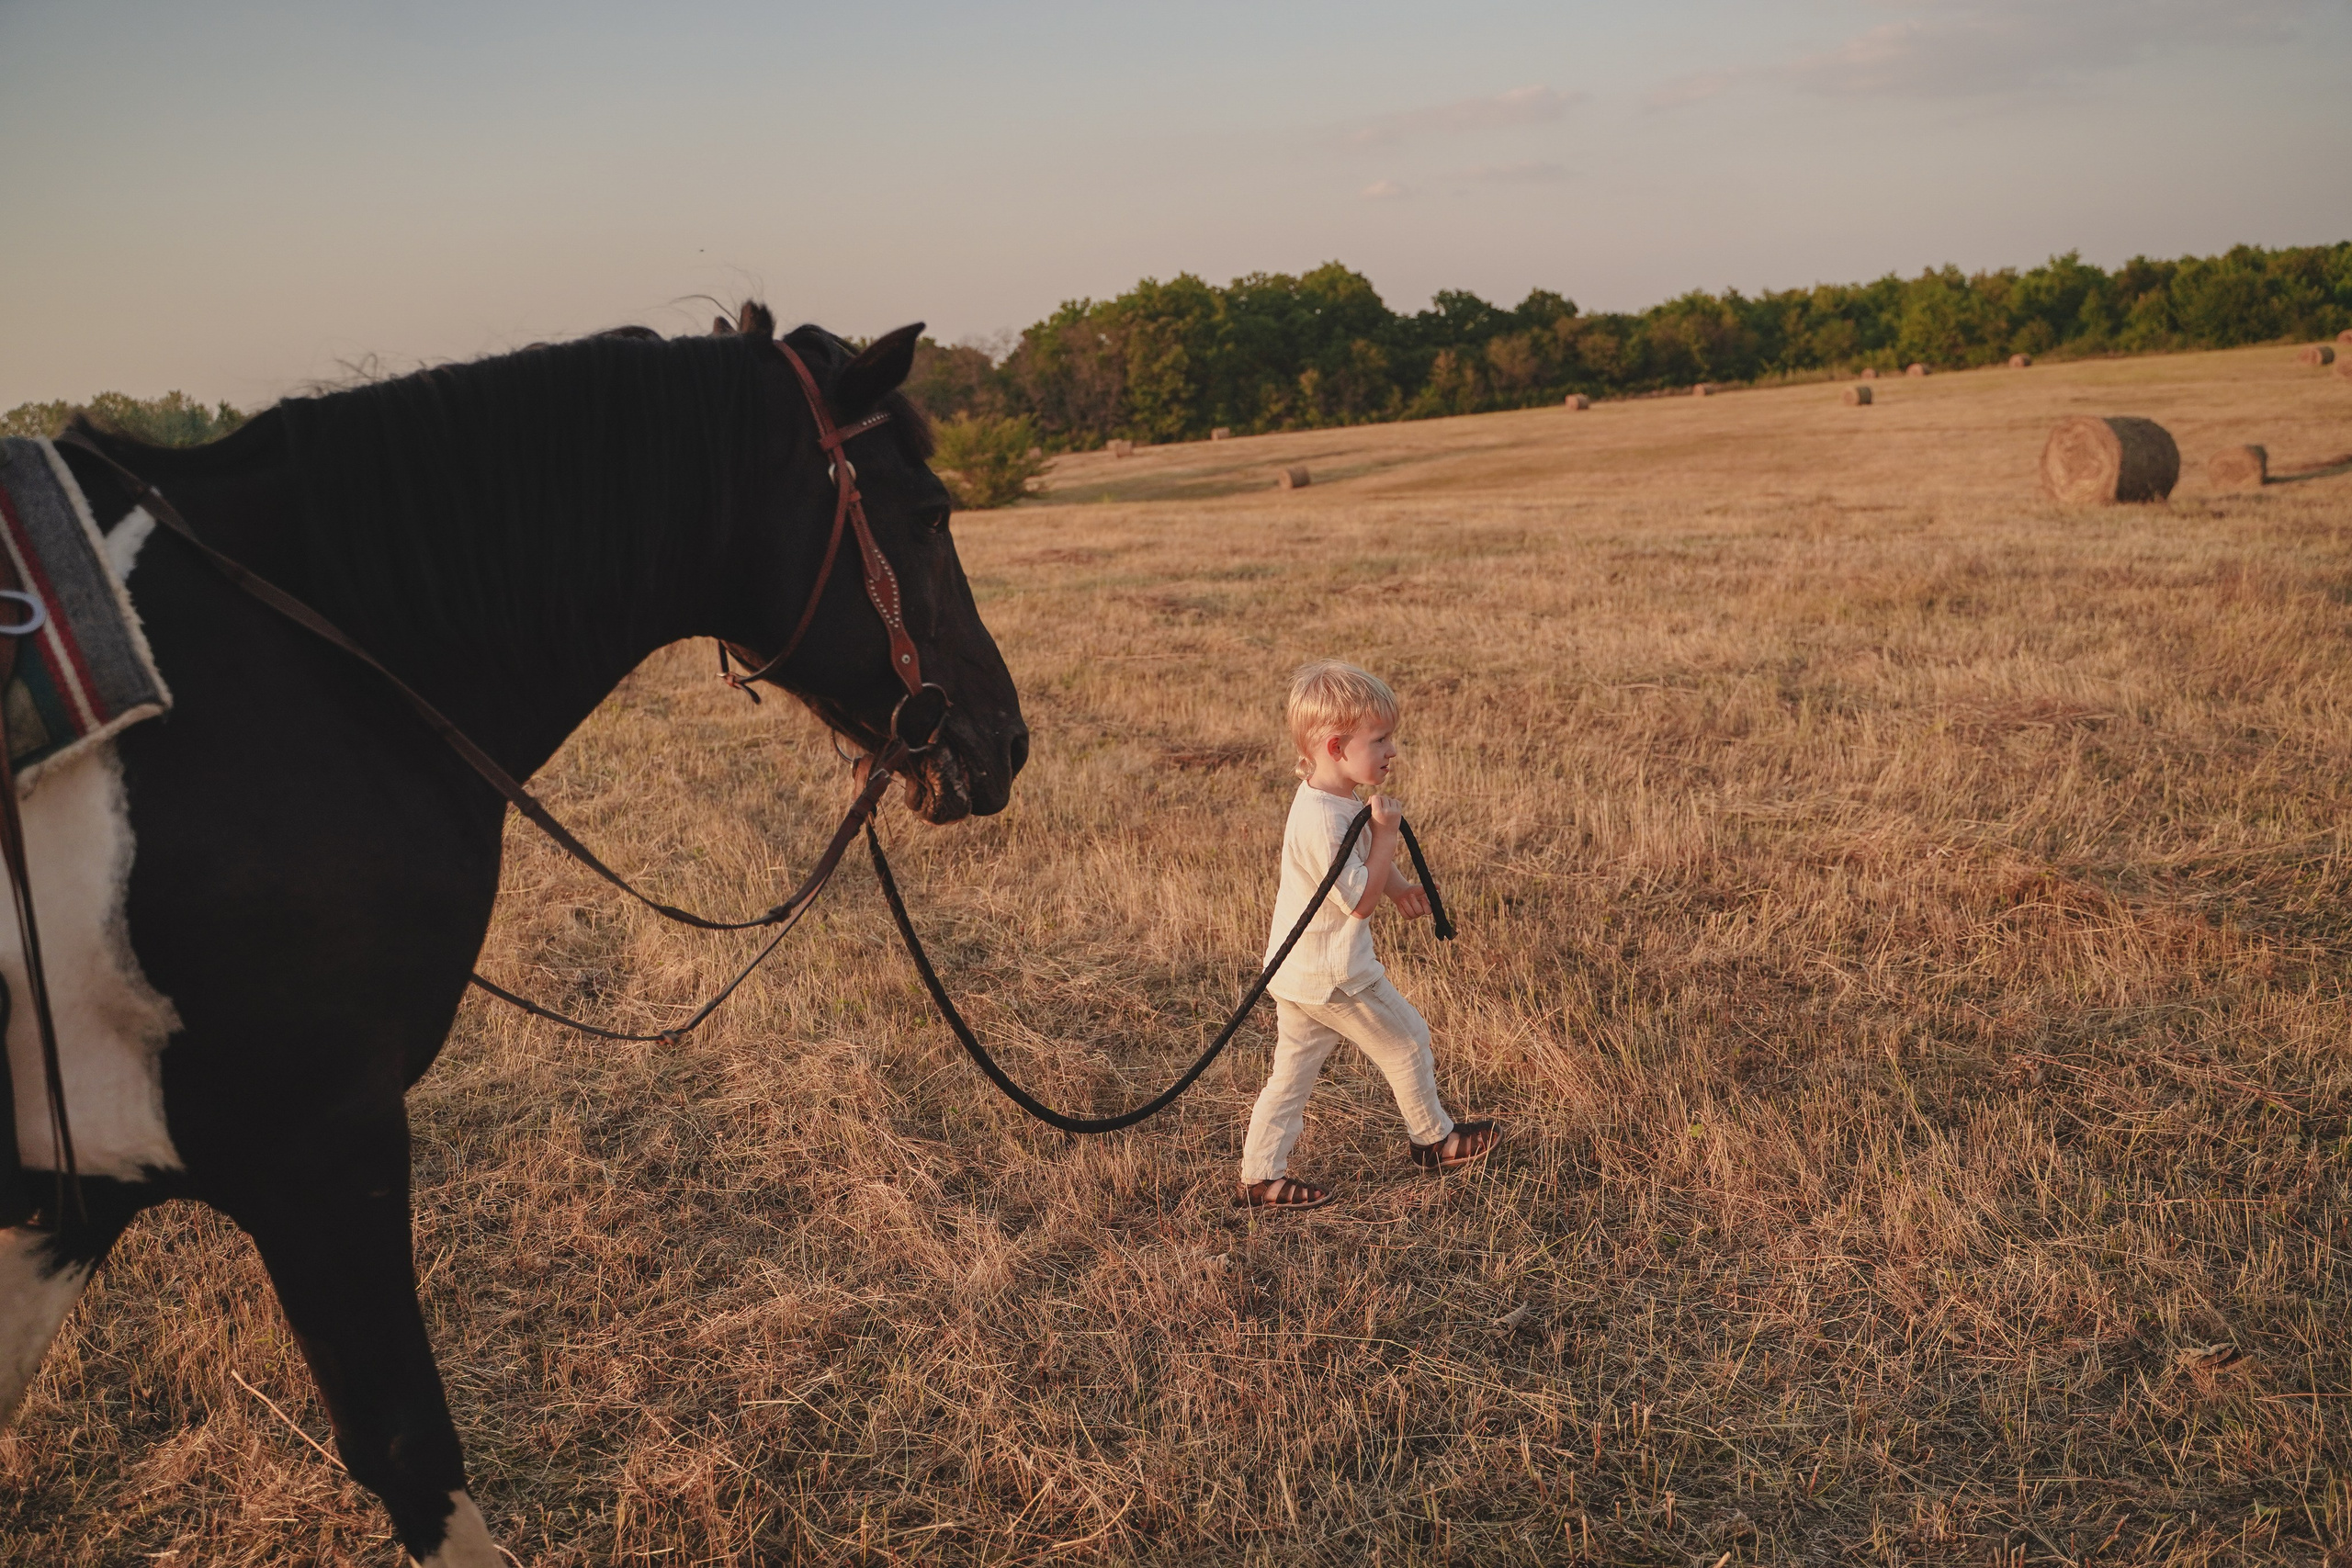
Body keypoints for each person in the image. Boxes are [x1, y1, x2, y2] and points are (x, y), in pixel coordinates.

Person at [1236, 660, 1499, 1211]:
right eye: (1379, 740)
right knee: (1407, 1040)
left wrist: (1398, 887)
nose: (1391, 751)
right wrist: (1386, 837)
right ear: (1336, 747)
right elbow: (1357, 900)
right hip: (1337, 975)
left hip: (1300, 973)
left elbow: (1357, 866)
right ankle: (1434, 1141)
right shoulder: (1325, 819)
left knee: (1291, 1076)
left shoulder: (1331, 798)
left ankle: (1260, 1177)